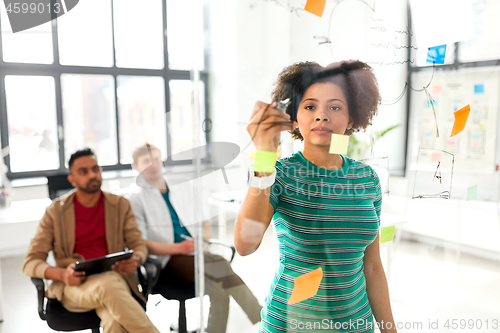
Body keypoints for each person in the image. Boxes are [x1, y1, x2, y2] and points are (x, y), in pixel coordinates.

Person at [235, 60, 397, 332]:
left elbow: (372, 267)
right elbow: (245, 245)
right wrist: (264, 153)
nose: (322, 115)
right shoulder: (280, 174)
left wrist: (390, 330)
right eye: (310, 106)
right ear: (295, 118)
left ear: (352, 118)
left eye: (335, 107)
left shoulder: (367, 178)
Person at [128, 143, 262, 333]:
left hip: (197, 255)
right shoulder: (135, 198)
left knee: (219, 288)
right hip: (166, 262)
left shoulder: (180, 188)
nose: (153, 165)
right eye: (146, 161)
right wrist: (180, 248)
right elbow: (140, 242)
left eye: (156, 159)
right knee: (220, 263)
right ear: (135, 167)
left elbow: (204, 222)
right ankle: (260, 315)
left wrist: (203, 242)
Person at [22, 148, 159, 333]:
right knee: (108, 285)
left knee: (114, 322)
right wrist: (62, 275)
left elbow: (138, 245)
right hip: (75, 286)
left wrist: (136, 260)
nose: (92, 175)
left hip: (116, 279)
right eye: (83, 172)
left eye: (95, 169)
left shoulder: (120, 205)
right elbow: (31, 262)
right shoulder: (55, 212)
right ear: (72, 179)